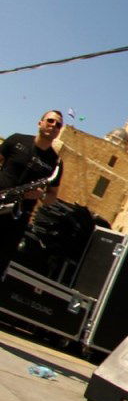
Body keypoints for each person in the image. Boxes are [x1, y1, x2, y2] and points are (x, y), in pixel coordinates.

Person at [0, 110, 64, 278]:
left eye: (58, 125)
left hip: (16, 218)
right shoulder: (17, 140)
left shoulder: (55, 162)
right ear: (40, 123)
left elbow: (52, 197)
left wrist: (41, 195)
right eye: (50, 121)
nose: (54, 126)